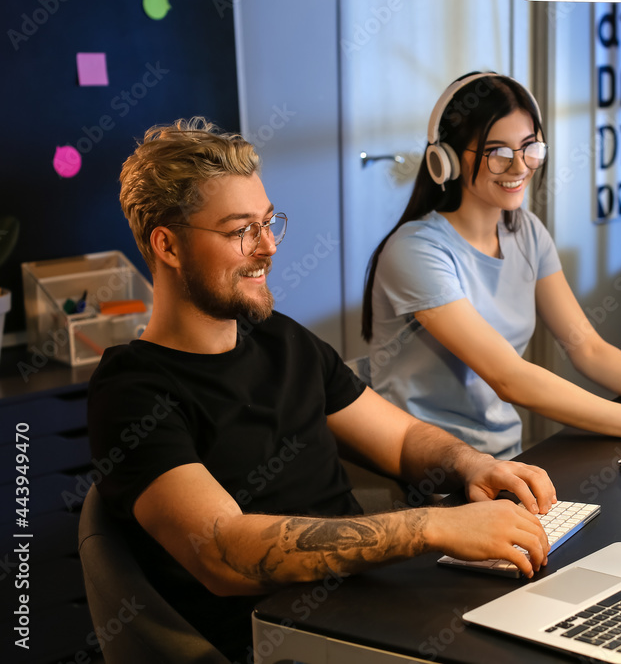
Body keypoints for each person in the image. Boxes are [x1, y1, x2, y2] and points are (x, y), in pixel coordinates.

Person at [88, 117, 557, 660]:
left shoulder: (281, 340)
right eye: (241, 230)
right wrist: (431, 526)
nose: (267, 248)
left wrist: (472, 464)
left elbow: (401, 439)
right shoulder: (132, 392)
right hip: (279, 641)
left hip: (372, 609)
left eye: (269, 223)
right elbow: (223, 552)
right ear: (167, 246)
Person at [362, 72, 621, 460]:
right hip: (427, 467)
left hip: (504, 460)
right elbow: (509, 377)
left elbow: (587, 348)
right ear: (445, 160)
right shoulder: (415, 251)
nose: (520, 167)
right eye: (497, 153)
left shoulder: (526, 232)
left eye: (530, 148)